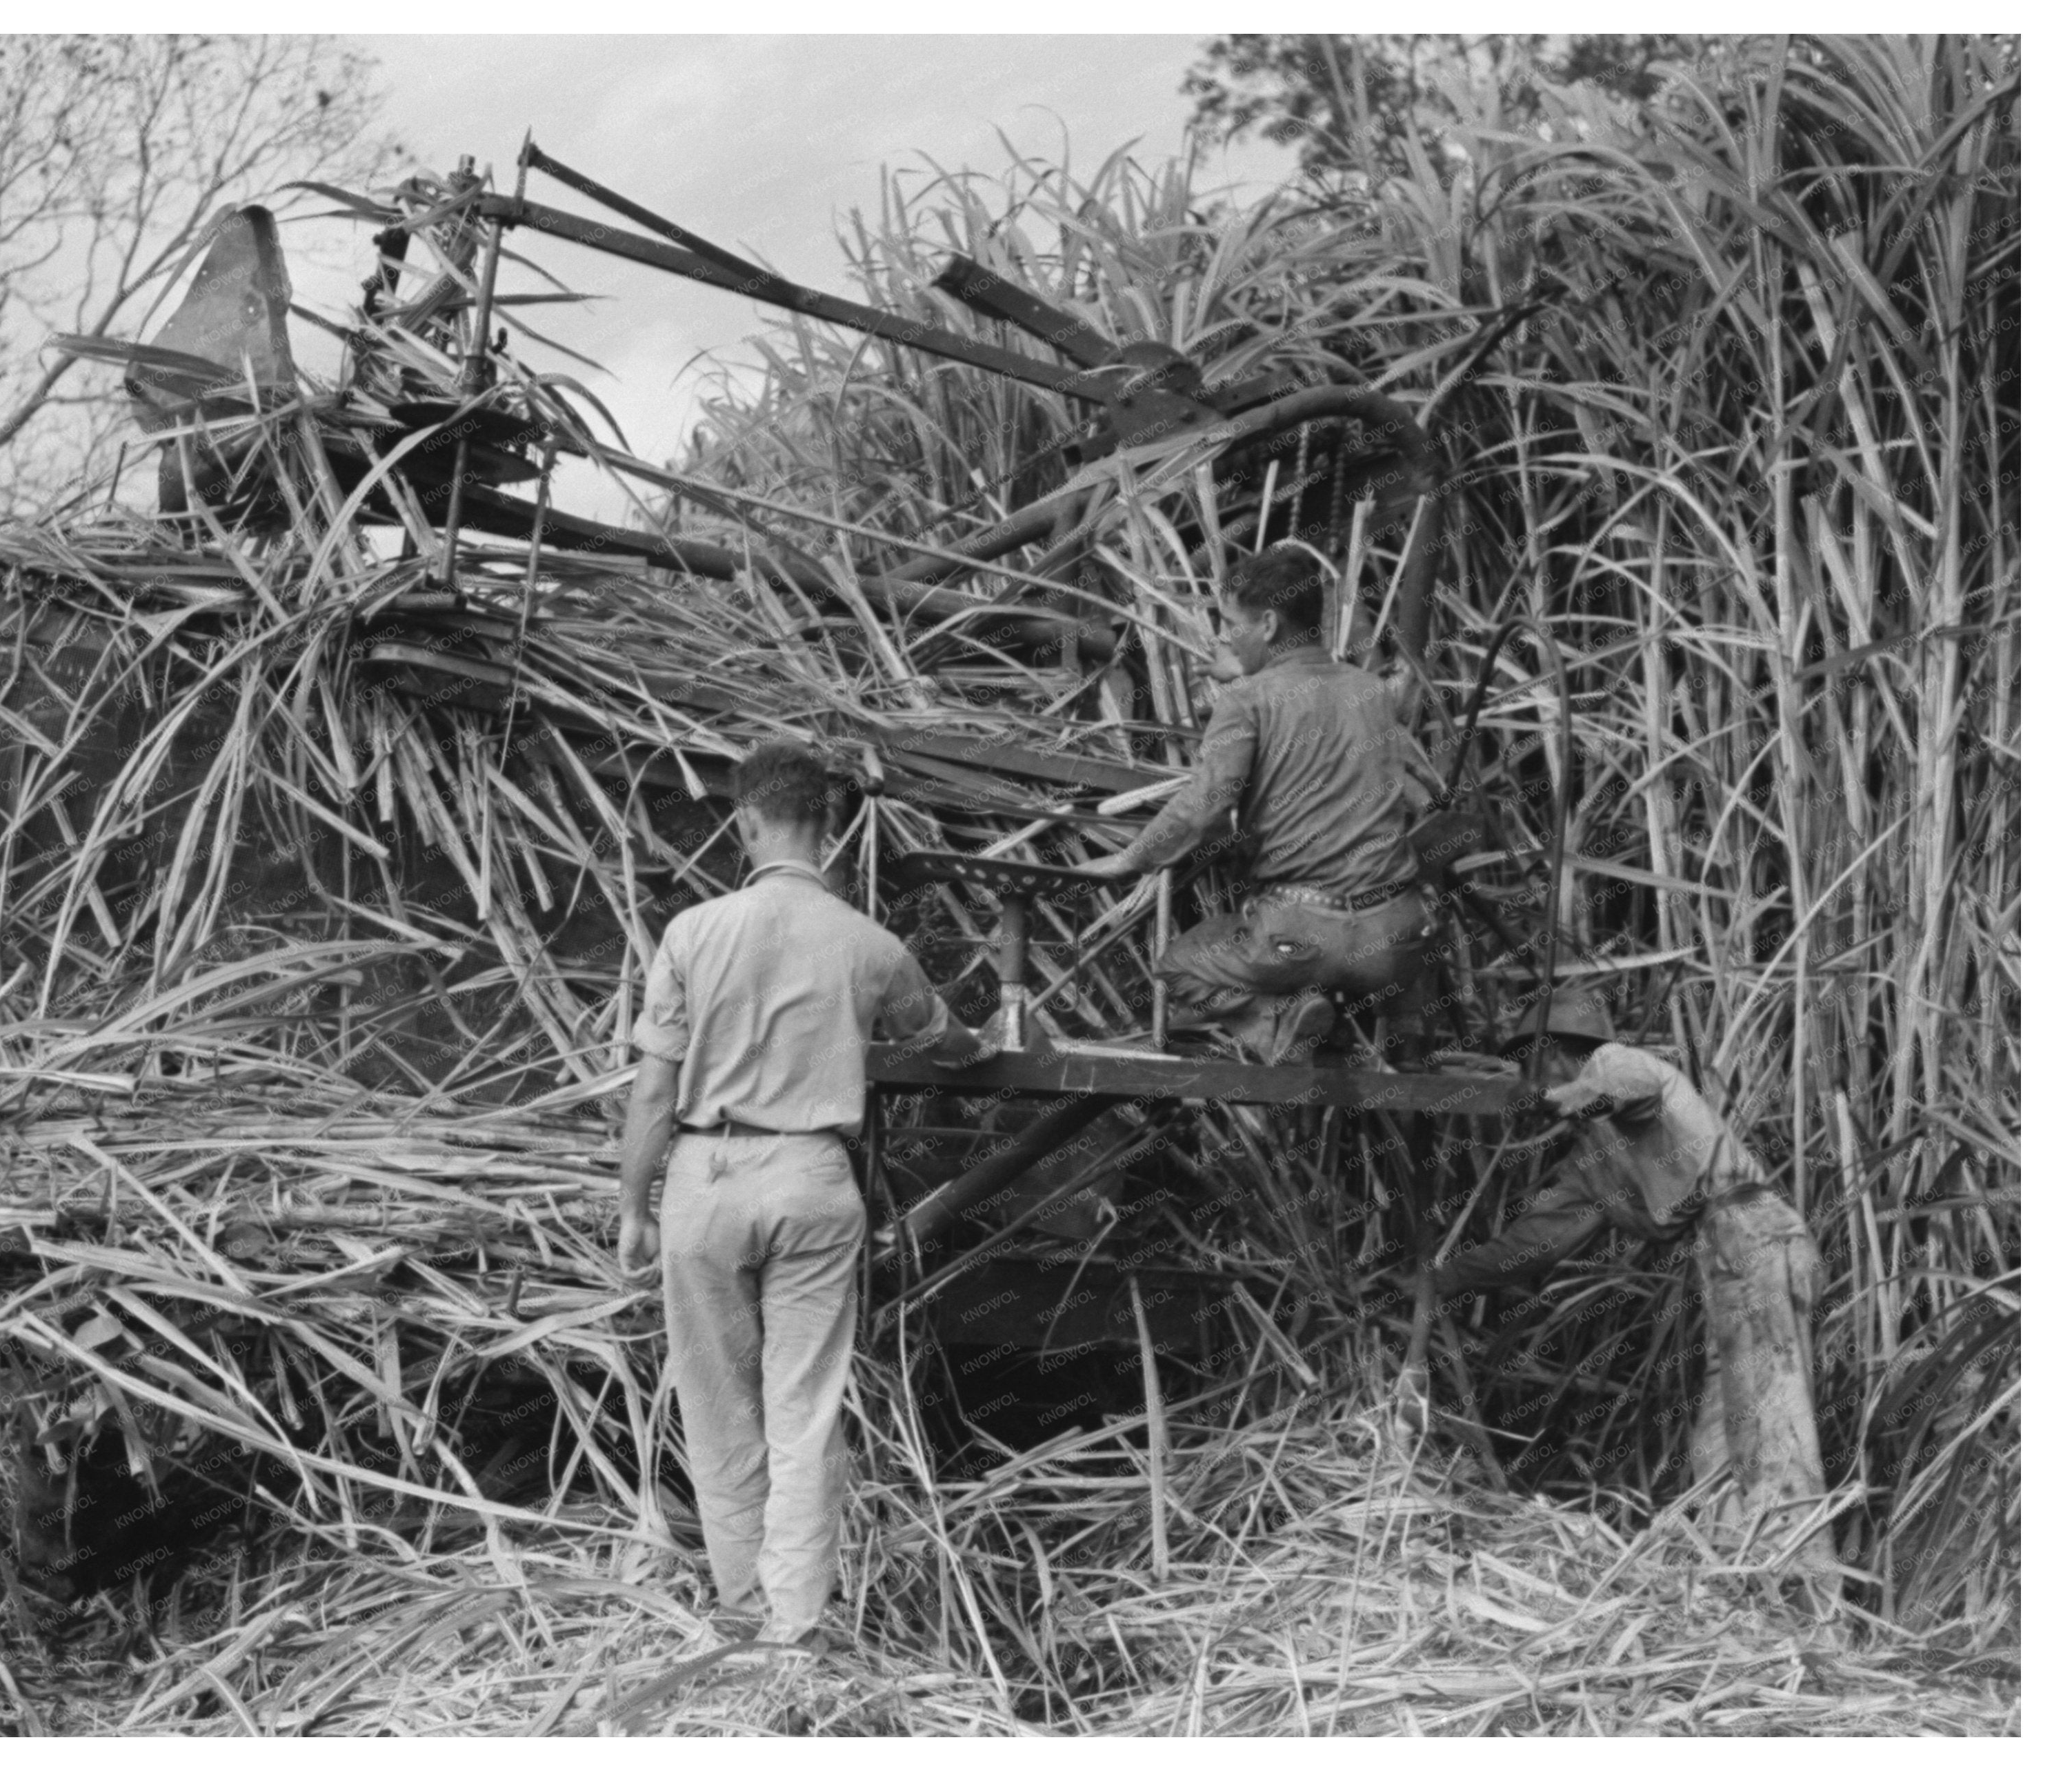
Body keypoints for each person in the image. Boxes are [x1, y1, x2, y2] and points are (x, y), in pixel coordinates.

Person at [616, 740, 990, 1648]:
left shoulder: (692, 933)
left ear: (746, 823)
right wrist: (981, 1044)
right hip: (814, 1182)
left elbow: (652, 1096)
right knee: (804, 1409)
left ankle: (740, 1611)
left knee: (716, 1404)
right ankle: (793, 1627)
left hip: (706, 1180)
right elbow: (948, 1041)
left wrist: (633, 1208)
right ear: (825, 826)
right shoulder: (869, 944)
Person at [1409, 990, 1833, 1569]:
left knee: (1771, 1414)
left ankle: (1800, 1579)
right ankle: (1732, 1570)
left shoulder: (1612, 1064)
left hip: (1756, 1235)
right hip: (1722, 1258)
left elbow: (1625, 1085)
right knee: (1722, 1430)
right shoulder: (1594, 1160)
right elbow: (1533, 1245)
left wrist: (1559, 1098)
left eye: (1530, 1062)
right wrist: (1439, 1281)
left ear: (1553, 1052)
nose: (1527, 1078)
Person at [1075, 543, 1444, 1063]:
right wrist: (1246, 674)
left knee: (1178, 965)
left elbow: (1206, 804)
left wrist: (1131, 858)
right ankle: (1391, 1036)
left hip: (1300, 939)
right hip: (1397, 939)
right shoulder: (1372, 692)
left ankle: (1276, 1021)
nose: (1223, 637)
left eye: (1230, 623)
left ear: (1267, 624)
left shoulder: (1245, 702)